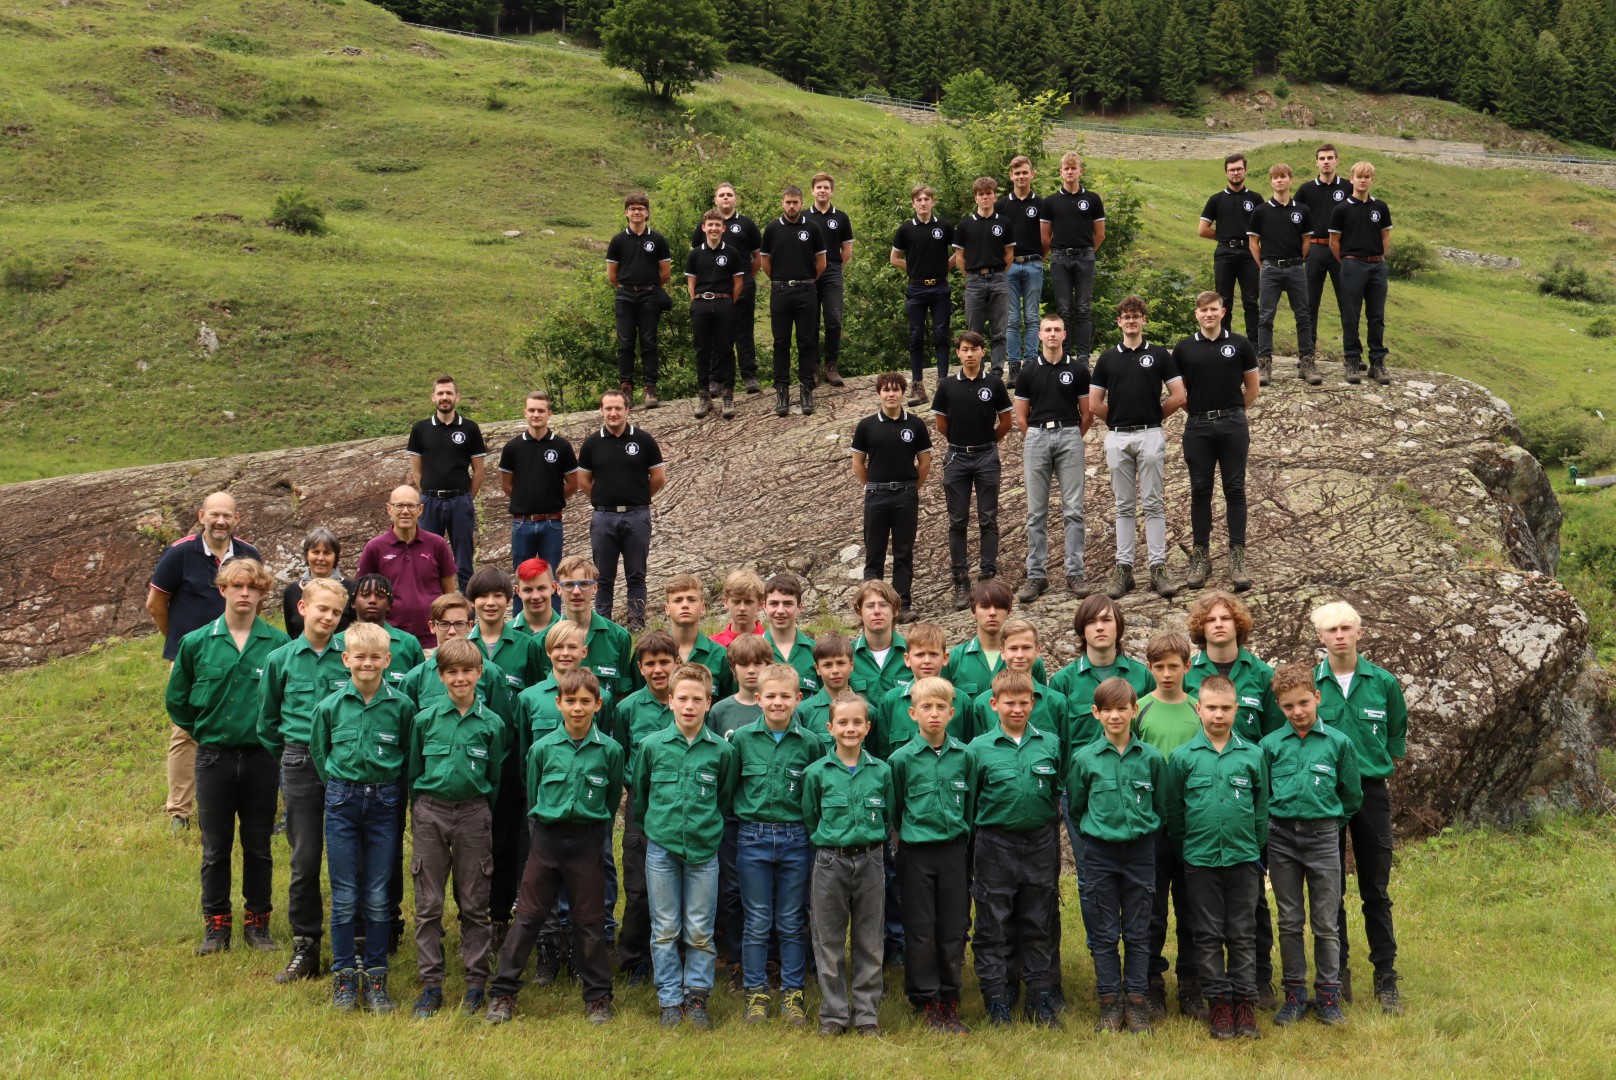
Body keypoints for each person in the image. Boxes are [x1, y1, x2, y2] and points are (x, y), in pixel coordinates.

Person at [486, 668, 623, 1026]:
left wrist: (592, 832)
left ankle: (598, 997)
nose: (578, 708)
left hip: (587, 842)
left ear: (598, 704)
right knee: (528, 917)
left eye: (585, 701)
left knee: (590, 922)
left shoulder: (610, 751)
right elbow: (533, 793)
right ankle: (502, 993)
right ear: (558, 703)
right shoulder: (542, 749)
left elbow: (610, 801)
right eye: (571, 701)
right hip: (547, 840)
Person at [166, 558, 287, 955]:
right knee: (215, 848)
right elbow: (178, 701)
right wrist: (204, 732)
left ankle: (257, 923)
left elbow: (286, 701)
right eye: (237, 586)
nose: (244, 593)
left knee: (258, 847)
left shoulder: (278, 645)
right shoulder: (196, 643)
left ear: (262, 593)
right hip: (213, 760)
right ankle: (216, 925)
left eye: (253, 587)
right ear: (222, 590)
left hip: (261, 760)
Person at [310, 620, 416, 1013]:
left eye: (375, 657)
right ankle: (343, 977)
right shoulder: (330, 707)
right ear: (346, 659)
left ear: (387, 660)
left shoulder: (402, 707)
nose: (367, 663)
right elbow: (320, 753)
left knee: (376, 895)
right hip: (342, 802)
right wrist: (339, 787)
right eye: (359, 657)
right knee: (343, 895)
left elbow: (409, 754)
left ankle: (375, 977)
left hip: (384, 803)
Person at [1311, 600, 1408, 1015]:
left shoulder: (1384, 683)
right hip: (1325, 795)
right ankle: (1337, 975)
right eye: (1331, 630)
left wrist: (1373, 767)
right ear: (1320, 637)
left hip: (1370, 793)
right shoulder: (1311, 684)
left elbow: (1396, 735)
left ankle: (1386, 977)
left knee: (1375, 890)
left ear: (1359, 633)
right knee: (1330, 890)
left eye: (1346, 628)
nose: (1339, 635)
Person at [147, 491, 264, 832]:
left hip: (239, 655)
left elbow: (256, 602)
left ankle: (231, 800)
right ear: (201, 516)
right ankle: (179, 812)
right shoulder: (180, 553)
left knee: (237, 723)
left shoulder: (249, 554)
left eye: (227, 515)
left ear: (237, 519)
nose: (220, 521)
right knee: (185, 731)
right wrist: (179, 643)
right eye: (214, 514)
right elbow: (155, 604)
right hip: (193, 657)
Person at [405, 638, 508, 1018]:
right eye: (452, 672)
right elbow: (414, 772)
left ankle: (476, 983)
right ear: (440, 675)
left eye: (467, 670)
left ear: (480, 673)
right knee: (428, 905)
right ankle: (431, 984)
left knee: (474, 904)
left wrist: (478, 811)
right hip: (430, 813)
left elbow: (493, 777)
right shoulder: (424, 720)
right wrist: (421, 812)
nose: (460, 678)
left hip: (473, 814)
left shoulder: (492, 724)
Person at [258, 576, 352, 984]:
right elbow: (267, 722)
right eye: (322, 609)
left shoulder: (348, 655)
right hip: (298, 762)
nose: (328, 618)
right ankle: (306, 946)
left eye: (336, 613)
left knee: (349, 856)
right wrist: (291, 761)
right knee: (305, 857)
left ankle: (355, 945)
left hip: (344, 761)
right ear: (302, 608)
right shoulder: (280, 660)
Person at [1164, 675, 1269, 1040]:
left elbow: (1261, 809)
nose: (1218, 715)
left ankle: (1245, 1004)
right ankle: (1219, 1005)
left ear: (1236, 709)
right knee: (1207, 935)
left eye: (1225, 708)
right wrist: (1188, 849)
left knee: (1242, 934)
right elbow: (1174, 811)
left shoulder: (1253, 756)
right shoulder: (1182, 758)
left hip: (1243, 859)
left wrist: (1253, 847)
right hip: (1200, 860)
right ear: (1199, 709)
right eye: (1211, 707)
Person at [634, 664, 736, 1029]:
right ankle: (669, 1000)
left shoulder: (722, 751)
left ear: (709, 702)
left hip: (704, 849)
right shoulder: (651, 747)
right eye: (682, 699)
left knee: (699, 928)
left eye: (697, 699)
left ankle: (696, 996)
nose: (689, 706)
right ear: (670, 701)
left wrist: (704, 828)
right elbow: (641, 797)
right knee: (664, 927)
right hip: (662, 848)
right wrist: (658, 828)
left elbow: (723, 797)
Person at [1262, 662, 1362, 1027]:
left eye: (1303, 702)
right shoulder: (1270, 746)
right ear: (1279, 706)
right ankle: (1294, 995)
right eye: (1288, 706)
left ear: (1317, 697)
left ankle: (1328, 996)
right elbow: (1263, 794)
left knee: (1326, 922)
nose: (1298, 712)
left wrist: (1330, 824)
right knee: (1289, 920)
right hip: (1282, 839)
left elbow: (1351, 795)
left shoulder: (1338, 743)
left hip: (1323, 838)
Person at [1068, 677, 1168, 1035]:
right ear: (1096, 713)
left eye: (1122, 708)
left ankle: (1137, 1003)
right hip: (1100, 854)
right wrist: (1100, 833)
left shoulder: (1151, 758)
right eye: (1107, 709)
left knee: (1139, 931)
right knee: (1105, 932)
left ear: (1134, 710)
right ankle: (1110, 1003)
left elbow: (1161, 806)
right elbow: (1076, 807)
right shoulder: (1084, 759)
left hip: (1140, 853)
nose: (1115, 716)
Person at [967, 669, 1064, 1029]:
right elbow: (973, 799)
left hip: (1040, 843)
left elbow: (1054, 790)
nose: (1018, 709)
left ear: (1033, 703)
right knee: (993, 925)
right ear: (994, 704)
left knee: (1038, 922)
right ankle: (997, 998)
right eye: (1010, 703)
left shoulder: (1050, 743)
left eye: (1024, 702)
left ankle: (1040, 997)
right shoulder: (978, 749)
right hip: (995, 844)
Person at [733, 662, 827, 1027]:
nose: (777, 702)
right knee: (757, 920)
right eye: (770, 696)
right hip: (753, 837)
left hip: (795, 839)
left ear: (798, 698)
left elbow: (817, 791)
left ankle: (792, 993)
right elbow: (730, 787)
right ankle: (756, 993)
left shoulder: (810, 743)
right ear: (758, 699)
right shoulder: (742, 740)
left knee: (791, 920)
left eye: (785, 696)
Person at [802, 692, 894, 1037]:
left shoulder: (882, 771)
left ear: (868, 727)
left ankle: (867, 1013)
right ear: (830, 728)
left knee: (870, 938)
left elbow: (888, 814)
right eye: (842, 722)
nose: (850, 728)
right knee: (828, 939)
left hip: (870, 861)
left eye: (857, 722)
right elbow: (811, 816)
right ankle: (834, 1013)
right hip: (831, 861)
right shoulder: (816, 773)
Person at [888, 676, 974, 1033]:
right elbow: (895, 810)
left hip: (953, 851)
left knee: (953, 927)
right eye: (926, 707)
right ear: (913, 713)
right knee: (920, 928)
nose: (934, 713)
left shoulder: (965, 756)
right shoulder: (900, 760)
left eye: (941, 707)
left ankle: (950, 998)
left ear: (952, 713)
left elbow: (969, 806)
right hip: (916, 853)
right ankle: (926, 999)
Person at [1088, 295, 1186, 601]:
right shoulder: (1107, 358)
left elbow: (1179, 395)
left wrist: (1153, 417)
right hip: (1117, 437)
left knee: (1154, 503)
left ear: (1144, 320)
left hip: (1150, 434)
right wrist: (1118, 420)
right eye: (1126, 316)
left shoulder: (1159, 354)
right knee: (1124, 505)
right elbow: (1094, 403)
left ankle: (1158, 568)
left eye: (1136, 315)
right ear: (1119, 322)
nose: (1131, 320)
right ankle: (1124, 569)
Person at [1134, 630, 1205, 1021]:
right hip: (1152, 826)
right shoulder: (1139, 709)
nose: (1166, 674)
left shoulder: (1199, 709)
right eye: (1159, 667)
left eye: (1173, 666)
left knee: (1191, 909)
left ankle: (1191, 982)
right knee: (1153, 910)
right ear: (1149, 668)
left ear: (1187, 667)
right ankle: (1151, 982)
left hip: (1193, 825)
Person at [1172, 292, 1260, 592]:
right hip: (1197, 425)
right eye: (1203, 310)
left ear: (1223, 312)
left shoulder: (1240, 344)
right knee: (1200, 489)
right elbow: (1179, 393)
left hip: (1233, 424)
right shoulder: (1183, 348)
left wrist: (1232, 412)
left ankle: (1237, 557)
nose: (1208, 314)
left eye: (1213, 309)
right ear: (1196, 314)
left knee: (1235, 488)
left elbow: (1252, 388)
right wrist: (1199, 413)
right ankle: (1201, 557)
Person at [612, 630, 682, 985]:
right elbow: (621, 755)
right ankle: (635, 958)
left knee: (680, 884)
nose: (658, 670)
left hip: (682, 804)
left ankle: (678, 954)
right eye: (650, 663)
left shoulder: (687, 703)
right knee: (639, 888)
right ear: (639, 668)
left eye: (664, 662)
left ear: (676, 663)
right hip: (641, 805)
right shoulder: (626, 709)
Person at [932, 330, 1013, 610]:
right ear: (958, 353)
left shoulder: (994, 384)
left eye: (974, 349)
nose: (969, 354)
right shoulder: (946, 386)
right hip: (957, 457)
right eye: (964, 349)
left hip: (986, 456)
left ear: (982, 352)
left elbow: (1006, 421)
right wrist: (960, 442)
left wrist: (988, 443)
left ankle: (987, 576)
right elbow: (941, 425)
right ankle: (960, 580)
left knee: (988, 518)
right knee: (957, 520)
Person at [1015, 313, 1092, 602]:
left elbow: (1087, 413)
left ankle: (1075, 572)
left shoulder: (1078, 370)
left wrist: (1072, 436)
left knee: (1074, 510)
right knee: (1036, 512)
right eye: (1047, 329)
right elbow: (1021, 417)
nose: (1052, 334)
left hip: (1069, 434)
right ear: (1039, 335)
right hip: (1037, 436)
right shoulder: (1028, 372)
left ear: (1064, 335)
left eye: (1057, 329)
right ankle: (1037, 575)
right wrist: (1037, 437)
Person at [577, 389, 666, 631]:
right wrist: (602, 499)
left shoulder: (644, 440)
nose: (613, 413)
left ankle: (636, 624)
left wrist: (639, 497)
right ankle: (603, 625)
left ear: (627, 410)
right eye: (608, 408)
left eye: (618, 408)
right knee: (603, 576)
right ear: (601, 411)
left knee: (636, 575)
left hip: (637, 516)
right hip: (603, 517)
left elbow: (658, 477)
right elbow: (583, 481)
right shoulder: (592, 443)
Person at [851, 375, 934, 619]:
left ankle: (901, 606)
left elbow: (925, 461)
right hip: (876, 495)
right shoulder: (866, 426)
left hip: (905, 495)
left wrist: (912, 488)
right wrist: (872, 486)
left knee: (903, 552)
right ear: (879, 393)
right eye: (886, 390)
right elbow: (858, 463)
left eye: (896, 390)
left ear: (903, 393)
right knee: (874, 553)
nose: (891, 394)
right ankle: (870, 606)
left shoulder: (916, 424)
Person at [407, 375, 486, 592]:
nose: (445, 397)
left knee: (464, 560)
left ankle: (468, 607)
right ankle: (431, 605)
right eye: (440, 393)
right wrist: (429, 494)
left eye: (449, 393)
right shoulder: (420, 429)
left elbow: (479, 473)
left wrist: (466, 498)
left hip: (460, 501)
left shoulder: (470, 429)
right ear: (432, 397)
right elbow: (417, 473)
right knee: (427, 558)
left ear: (457, 397)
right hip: (430, 502)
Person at [498, 391, 578, 602]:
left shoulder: (562, 446)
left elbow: (573, 483)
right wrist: (525, 500)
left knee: (553, 578)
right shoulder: (512, 447)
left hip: (552, 523)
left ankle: (554, 622)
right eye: (532, 410)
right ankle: (520, 621)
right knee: (521, 577)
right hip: (521, 523)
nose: (536, 415)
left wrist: (551, 500)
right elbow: (507, 484)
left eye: (541, 411)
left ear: (549, 413)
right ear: (525, 412)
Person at [355, 485, 456, 649]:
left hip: (431, 640)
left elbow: (449, 595)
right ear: (389, 509)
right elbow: (360, 594)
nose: (405, 511)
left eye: (411, 506)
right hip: (389, 640)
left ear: (420, 509)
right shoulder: (375, 547)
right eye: (399, 506)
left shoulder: (437, 544)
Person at [1247, 163, 1318, 386]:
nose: (1279, 180)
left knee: (1303, 316)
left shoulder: (1302, 210)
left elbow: (1306, 240)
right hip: (1270, 269)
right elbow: (1253, 242)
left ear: (1291, 180)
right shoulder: (1261, 211)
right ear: (1271, 182)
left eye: (1283, 177)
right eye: (1275, 177)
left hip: (1296, 268)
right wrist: (1264, 265)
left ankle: (1307, 363)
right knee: (1266, 317)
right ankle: (1264, 364)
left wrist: (1297, 260)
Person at [760, 185, 827, 417]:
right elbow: (765, 263)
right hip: (780, 291)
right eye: (788, 202)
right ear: (782, 203)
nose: (791, 206)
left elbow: (821, 262)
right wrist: (781, 280)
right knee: (781, 342)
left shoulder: (812, 227)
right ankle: (782, 391)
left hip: (806, 291)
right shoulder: (772, 229)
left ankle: (806, 389)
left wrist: (806, 280)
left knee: (806, 341)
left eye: (795, 202)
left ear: (801, 203)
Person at [693, 182, 765, 395]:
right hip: (714, 288)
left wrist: (745, 278)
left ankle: (749, 375)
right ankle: (715, 380)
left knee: (744, 330)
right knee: (716, 334)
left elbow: (758, 257)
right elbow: (696, 257)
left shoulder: (746, 224)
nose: (726, 198)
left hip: (742, 284)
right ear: (715, 199)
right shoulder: (706, 225)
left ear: (735, 199)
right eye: (722, 195)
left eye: (729, 194)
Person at [605, 191, 672, 408]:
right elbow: (612, 275)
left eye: (641, 209)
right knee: (626, 344)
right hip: (624, 295)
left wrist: (648, 287)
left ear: (647, 212)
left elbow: (665, 273)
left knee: (649, 342)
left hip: (649, 295)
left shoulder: (657, 239)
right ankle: (626, 390)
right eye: (632, 208)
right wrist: (627, 288)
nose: (637, 212)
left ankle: (650, 389)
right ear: (626, 212)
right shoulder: (618, 240)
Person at [1329, 162, 1394, 386]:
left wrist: (1377, 258)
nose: (1363, 180)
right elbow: (1334, 243)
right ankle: (1352, 360)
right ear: (1352, 179)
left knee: (1376, 316)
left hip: (1377, 266)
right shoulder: (1341, 209)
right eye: (1359, 176)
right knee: (1351, 315)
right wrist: (1349, 262)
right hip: (1352, 265)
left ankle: (1377, 361)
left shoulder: (1380, 207)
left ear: (1372, 180)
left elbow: (1385, 238)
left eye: (1367, 177)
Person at [890, 184, 954, 406]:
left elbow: (959, 252)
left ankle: (943, 383)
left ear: (933, 202)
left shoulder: (944, 226)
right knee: (916, 336)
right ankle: (918, 385)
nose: (923, 203)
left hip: (940, 287)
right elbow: (894, 258)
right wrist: (915, 269)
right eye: (919, 199)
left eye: (927, 199)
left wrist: (942, 267)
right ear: (913, 203)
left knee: (941, 334)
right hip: (916, 289)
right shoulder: (906, 229)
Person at [1040, 151, 1106, 363]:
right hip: (1060, 258)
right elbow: (1045, 236)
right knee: (1064, 310)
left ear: (1081, 171)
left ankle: (1083, 356)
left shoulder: (1092, 199)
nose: (1070, 172)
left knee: (1084, 308)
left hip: (1085, 257)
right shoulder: (1050, 202)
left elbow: (1100, 234)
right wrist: (1059, 252)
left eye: (1073, 168)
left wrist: (1088, 253)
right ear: (1060, 172)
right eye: (1066, 168)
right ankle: (1065, 355)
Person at [941, 578, 1047, 701]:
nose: (992, 612)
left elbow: (1041, 703)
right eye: (985, 606)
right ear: (973, 611)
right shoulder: (953, 659)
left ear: (1009, 611)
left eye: (999, 606)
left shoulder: (1031, 660)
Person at [872, 622, 967, 758]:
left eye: (933, 654)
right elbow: (882, 754)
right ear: (907, 659)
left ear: (945, 658)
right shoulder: (891, 701)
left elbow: (969, 750)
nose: (927, 661)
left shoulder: (962, 701)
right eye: (920, 655)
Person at [1294, 144, 1352, 362]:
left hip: (1341, 251)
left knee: (1347, 303)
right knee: (1309, 304)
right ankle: (1307, 355)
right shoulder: (1305, 190)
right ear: (1316, 162)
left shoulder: (1348, 187)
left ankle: (1352, 355)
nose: (1326, 161)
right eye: (1322, 158)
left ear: (1337, 161)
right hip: (1315, 248)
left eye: (1330, 157)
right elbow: (1294, 220)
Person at [686, 209, 746, 419]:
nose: (713, 228)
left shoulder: (732, 253)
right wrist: (698, 301)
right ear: (704, 228)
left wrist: (727, 302)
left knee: (726, 350)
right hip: (701, 304)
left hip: (724, 303)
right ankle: (704, 396)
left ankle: (728, 395)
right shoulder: (695, 253)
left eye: (717, 225)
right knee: (702, 351)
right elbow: (691, 282)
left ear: (723, 228)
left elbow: (738, 283)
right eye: (710, 225)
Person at [553, 554, 636, 702]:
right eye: (569, 585)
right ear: (558, 589)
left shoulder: (619, 637)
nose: (576, 591)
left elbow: (623, 695)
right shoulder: (544, 640)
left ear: (595, 588)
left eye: (584, 584)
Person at [953, 176, 1014, 377]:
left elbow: (1009, 254)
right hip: (974, 280)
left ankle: (996, 372)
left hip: (998, 278)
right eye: (981, 194)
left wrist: (999, 273)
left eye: (989, 193)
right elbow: (959, 257)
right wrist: (971, 276)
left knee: (999, 330)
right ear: (976, 198)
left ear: (995, 196)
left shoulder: (1004, 222)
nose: (985, 197)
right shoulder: (965, 225)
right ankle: (976, 370)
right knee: (974, 331)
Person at [1198, 154, 1262, 340]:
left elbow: (1265, 228)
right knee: (1224, 300)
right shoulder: (1216, 199)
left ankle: (1255, 344)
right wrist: (1225, 235)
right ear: (1226, 173)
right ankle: (1223, 341)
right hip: (1225, 253)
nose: (1235, 173)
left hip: (1249, 253)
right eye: (1232, 170)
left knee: (1251, 300)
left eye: (1239, 169)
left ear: (1245, 171)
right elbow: (1203, 230)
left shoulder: (1256, 198)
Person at [997, 155, 1044, 386]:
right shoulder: (1001, 205)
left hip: (1034, 263)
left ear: (1032, 174)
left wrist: (1038, 258)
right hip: (1009, 266)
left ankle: (1031, 365)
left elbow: (1047, 238)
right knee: (1012, 319)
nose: (1021, 176)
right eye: (1017, 173)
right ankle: (1014, 368)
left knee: (1033, 317)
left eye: (1025, 172)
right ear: (1011, 176)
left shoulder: (1042, 204)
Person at [805, 172, 854, 389]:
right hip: (808, 273)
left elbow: (847, 250)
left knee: (833, 319)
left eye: (826, 187)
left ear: (832, 191)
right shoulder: (804, 217)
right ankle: (813, 367)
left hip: (833, 270)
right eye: (819, 187)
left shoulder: (841, 217)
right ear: (812, 191)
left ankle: (831, 366)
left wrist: (833, 268)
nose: (822, 191)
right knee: (810, 322)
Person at [338, 574, 425, 689]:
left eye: (380, 596)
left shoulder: (408, 644)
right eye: (365, 595)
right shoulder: (336, 643)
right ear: (353, 602)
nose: (372, 600)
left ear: (389, 604)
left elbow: (421, 688)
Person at [665, 573, 733, 699]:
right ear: (667, 609)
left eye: (691, 600)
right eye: (677, 600)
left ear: (702, 608)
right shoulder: (652, 652)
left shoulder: (720, 656)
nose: (685, 605)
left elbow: (730, 704)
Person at [281, 526, 355, 639]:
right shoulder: (292, 591)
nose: (320, 558)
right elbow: (291, 635)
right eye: (315, 552)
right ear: (307, 555)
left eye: (327, 553)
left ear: (335, 557)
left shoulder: (351, 589)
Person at [763, 572, 819, 692]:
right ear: (764, 606)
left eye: (788, 604)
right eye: (774, 604)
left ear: (799, 607)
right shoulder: (753, 651)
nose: (780, 610)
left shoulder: (816, 651)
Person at [709, 633, 771, 736]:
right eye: (743, 664)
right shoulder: (719, 711)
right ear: (733, 668)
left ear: (767, 666)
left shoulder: (779, 707)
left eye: (757, 663)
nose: (751, 671)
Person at [791, 632, 853, 735]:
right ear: (817, 669)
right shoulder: (803, 711)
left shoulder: (867, 710)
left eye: (841, 663)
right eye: (827, 665)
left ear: (851, 665)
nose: (835, 670)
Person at [510, 557, 562, 645]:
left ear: (553, 587)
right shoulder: (506, 634)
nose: (535, 596)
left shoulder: (567, 632)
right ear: (518, 591)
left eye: (541, 588)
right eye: (528, 590)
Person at [712, 568, 766, 646]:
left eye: (748, 602)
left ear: (760, 604)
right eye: (736, 601)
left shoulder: (773, 643)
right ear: (725, 602)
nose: (742, 608)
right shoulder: (712, 646)